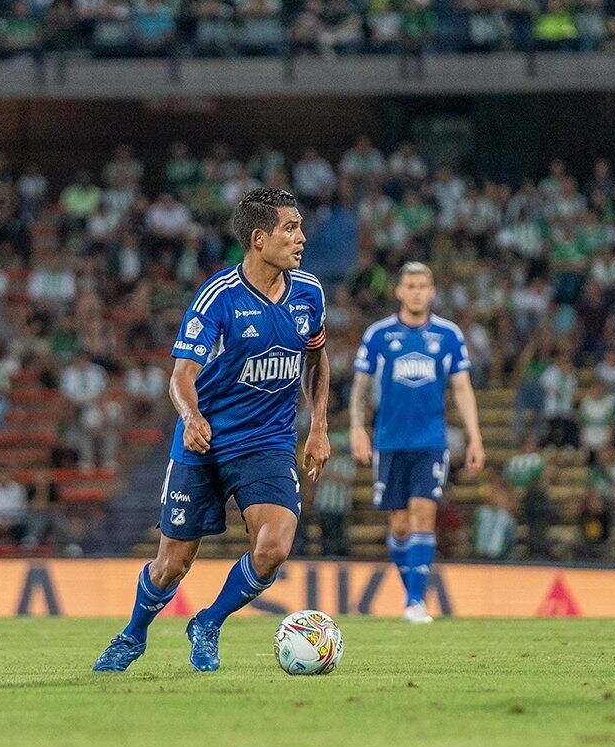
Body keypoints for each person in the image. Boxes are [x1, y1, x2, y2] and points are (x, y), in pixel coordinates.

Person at [93, 188, 331, 673]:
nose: (301, 238)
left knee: (273, 549)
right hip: (205, 443)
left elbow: (316, 355)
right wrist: (192, 416)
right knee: (171, 566)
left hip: (267, 442)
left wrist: (320, 423)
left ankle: (208, 623)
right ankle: (133, 634)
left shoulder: (309, 292)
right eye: (291, 228)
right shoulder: (218, 297)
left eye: (300, 227)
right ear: (260, 239)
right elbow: (180, 377)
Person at [349, 261, 485, 624]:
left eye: (423, 285)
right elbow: (360, 387)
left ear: (432, 292)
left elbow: (461, 387)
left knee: (425, 514)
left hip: (431, 441)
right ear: (398, 291)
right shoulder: (379, 335)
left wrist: (474, 437)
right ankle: (413, 593)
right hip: (389, 441)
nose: (416, 291)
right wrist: (357, 429)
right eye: (409, 285)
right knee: (400, 526)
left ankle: (414, 602)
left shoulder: (448, 335)